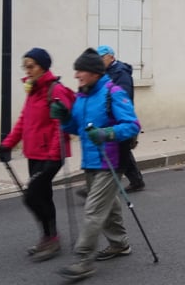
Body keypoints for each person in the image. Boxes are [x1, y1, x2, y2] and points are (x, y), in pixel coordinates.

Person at [51, 48, 141, 281]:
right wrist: (64, 118)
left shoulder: (113, 92)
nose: (76, 75)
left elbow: (132, 125)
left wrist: (107, 133)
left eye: (80, 71)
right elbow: (76, 128)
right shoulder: (82, 96)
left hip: (112, 161)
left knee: (93, 210)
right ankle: (120, 244)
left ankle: (84, 260)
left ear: (94, 72)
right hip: (90, 161)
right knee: (108, 206)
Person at [0, 48, 75, 261]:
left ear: (43, 66)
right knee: (42, 196)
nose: (27, 70)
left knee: (32, 196)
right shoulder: (33, 90)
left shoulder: (55, 90)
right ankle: (49, 237)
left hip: (51, 155)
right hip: (35, 153)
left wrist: (53, 157)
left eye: (31, 66)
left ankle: (52, 238)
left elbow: (61, 127)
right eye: (25, 67)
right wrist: (7, 145)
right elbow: (24, 120)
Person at [97, 45, 145, 192]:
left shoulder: (121, 73)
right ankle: (136, 181)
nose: (99, 61)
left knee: (121, 150)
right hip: (109, 118)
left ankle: (97, 187)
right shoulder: (104, 73)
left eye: (102, 58)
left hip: (120, 118)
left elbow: (124, 96)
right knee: (121, 150)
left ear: (111, 57)